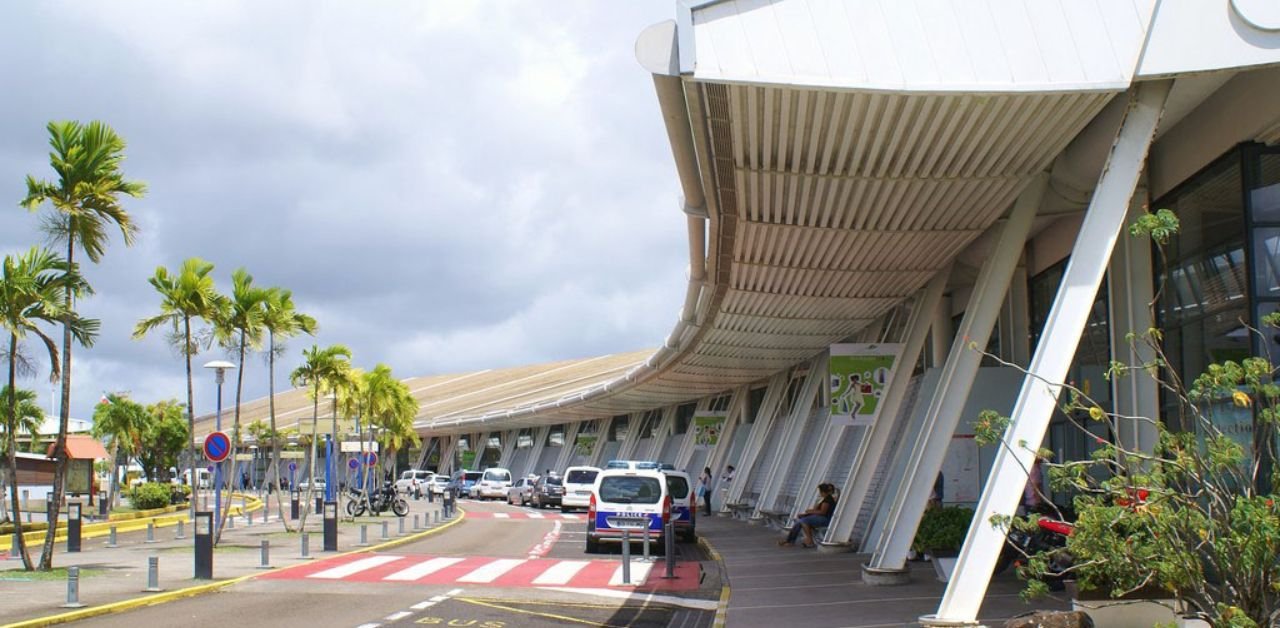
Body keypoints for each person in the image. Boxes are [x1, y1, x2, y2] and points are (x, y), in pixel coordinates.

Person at [779, 483, 837, 548]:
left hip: (825, 519)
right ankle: (789, 541)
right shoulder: (825, 499)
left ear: (823, 492)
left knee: (803, 521)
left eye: (820, 491)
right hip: (820, 517)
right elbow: (817, 511)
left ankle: (809, 540)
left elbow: (822, 512)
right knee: (799, 521)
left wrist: (810, 511)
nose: (819, 493)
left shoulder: (828, 500)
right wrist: (806, 514)